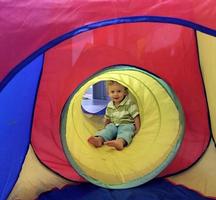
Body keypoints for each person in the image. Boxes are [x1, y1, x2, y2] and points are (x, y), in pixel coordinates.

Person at [88, 80, 140, 150]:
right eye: (112, 92)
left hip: (126, 124)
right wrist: (105, 128)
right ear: (108, 94)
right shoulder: (110, 105)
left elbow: (136, 116)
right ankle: (99, 140)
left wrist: (138, 129)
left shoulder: (129, 103)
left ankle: (120, 142)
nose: (115, 94)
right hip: (114, 124)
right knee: (109, 129)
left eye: (119, 91)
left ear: (124, 92)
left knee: (126, 131)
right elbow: (107, 118)